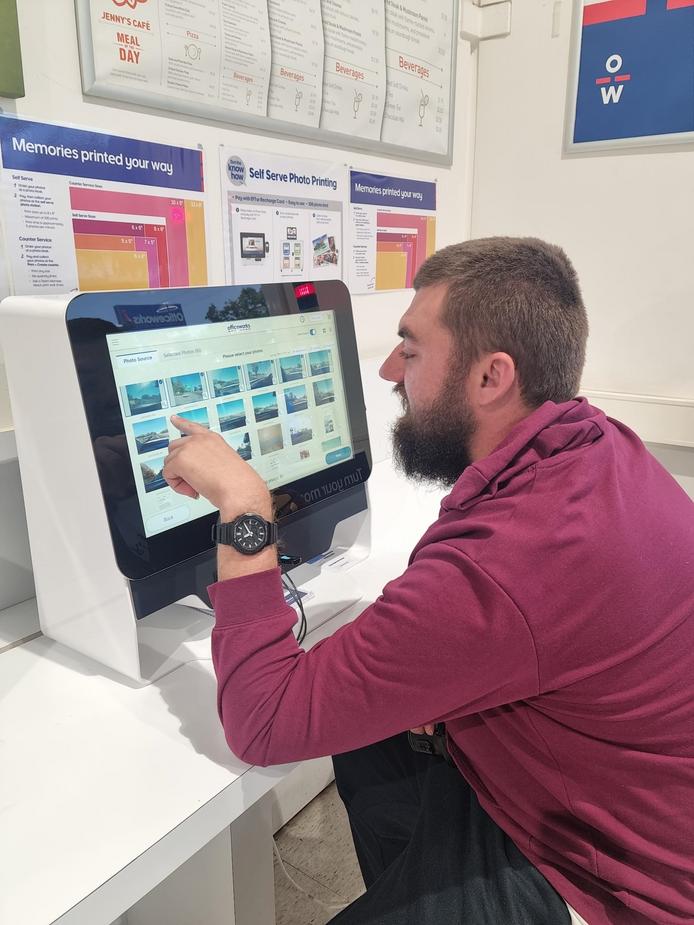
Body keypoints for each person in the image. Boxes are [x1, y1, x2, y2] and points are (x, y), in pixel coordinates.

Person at [163, 237, 694, 925]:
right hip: (609, 787)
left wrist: (243, 506)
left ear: (491, 377)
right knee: (370, 737)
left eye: (410, 350)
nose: (389, 369)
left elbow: (262, 722)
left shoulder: (506, 562)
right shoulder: (595, 443)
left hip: (605, 883)